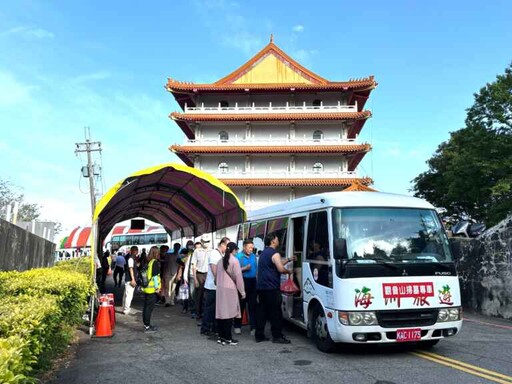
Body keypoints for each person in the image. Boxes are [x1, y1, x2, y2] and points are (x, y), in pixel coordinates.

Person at [255, 233, 295, 344]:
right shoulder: (275, 253)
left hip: (262, 287)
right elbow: (280, 269)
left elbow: (275, 263)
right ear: (273, 241)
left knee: (262, 312)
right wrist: (289, 271)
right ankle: (277, 336)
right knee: (276, 313)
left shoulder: (264, 253)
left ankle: (259, 335)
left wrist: (288, 259)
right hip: (272, 288)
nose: (278, 240)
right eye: (277, 238)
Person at [216, 242, 246, 345]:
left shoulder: (220, 261)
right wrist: (242, 292)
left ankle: (220, 337)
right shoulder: (234, 261)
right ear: (234, 250)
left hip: (220, 289)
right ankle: (228, 337)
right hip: (230, 290)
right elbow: (238, 277)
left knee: (221, 314)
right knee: (229, 314)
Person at [200, 236, 230, 336]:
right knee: (209, 308)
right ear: (222, 244)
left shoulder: (222, 254)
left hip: (218, 286)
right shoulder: (214, 254)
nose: (228, 248)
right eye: (227, 246)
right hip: (212, 286)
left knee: (216, 309)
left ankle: (213, 328)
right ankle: (205, 328)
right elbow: (214, 269)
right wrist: (218, 280)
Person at [233, 239, 257, 335]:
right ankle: (237, 326)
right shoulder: (238, 257)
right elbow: (234, 271)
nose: (251, 249)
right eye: (249, 247)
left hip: (253, 282)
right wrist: (244, 269)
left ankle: (253, 328)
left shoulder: (254, 257)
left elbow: (256, 269)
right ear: (244, 247)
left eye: (252, 247)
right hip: (242, 282)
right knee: (241, 305)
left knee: (252, 306)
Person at [191, 237, 211, 324]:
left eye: (208, 241)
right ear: (201, 242)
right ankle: (198, 315)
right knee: (199, 295)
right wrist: (195, 279)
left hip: (209, 274)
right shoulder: (197, 251)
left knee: (207, 296)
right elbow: (194, 265)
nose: (206, 243)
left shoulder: (212, 251)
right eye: (205, 241)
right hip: (199, 274)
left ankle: (206, 315)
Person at [142, 246, 161, 333]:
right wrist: (157, 287)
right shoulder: (155, 263)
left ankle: (146, 324)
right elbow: (155, 277)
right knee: (149, 308)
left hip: (146, 287)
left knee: (146, 307)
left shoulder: (148, 261)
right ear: (156, 253)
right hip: (152, 289)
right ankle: (147, 326)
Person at [184, 241, 200, 318]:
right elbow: (187, 266)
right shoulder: (190, 256)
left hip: (201, 276)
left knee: (200, 295)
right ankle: (193, 311)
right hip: (191, 276)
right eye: (196, 248)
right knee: (192, 294)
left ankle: (199, 311)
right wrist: (185, 277)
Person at [122, 246, 138, 315]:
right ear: (134, 251)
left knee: (127, 294)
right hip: (130, 279)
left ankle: (125, 308)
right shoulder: (131, 259)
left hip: (129, 279)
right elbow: (131, 269)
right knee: (129, 295)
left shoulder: (132, 259)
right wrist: (133, 279)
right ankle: (126, 309)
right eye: (136, 251)